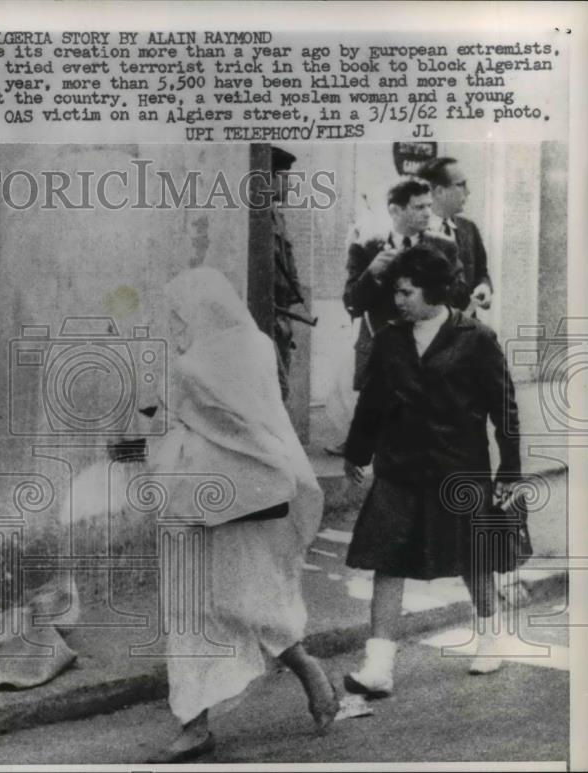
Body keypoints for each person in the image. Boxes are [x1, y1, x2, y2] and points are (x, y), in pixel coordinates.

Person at [146, 266, 338, 763]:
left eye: (177, 313)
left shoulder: (190, 369)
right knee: (256, 597)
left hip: (196, 498)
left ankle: (195, 725)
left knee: (192, 610)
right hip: (261, 491)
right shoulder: (257, 346)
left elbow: (165, 418)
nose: (173, 322)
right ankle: (306, 670)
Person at [341, 244, 521, 698]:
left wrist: (510, 472)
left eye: (406, 291)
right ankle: (378, 665)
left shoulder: (476, 338)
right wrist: (357, 452)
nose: (398, 301)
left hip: (459, 469)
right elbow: (373, 403)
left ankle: (489, 638)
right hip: (400, 467)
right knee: (386, 559)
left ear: (433, 290)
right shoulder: (389, 338)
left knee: (472, 560)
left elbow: (505, 409)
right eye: (395, 292)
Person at [343, 177, 469, 392]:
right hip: (380, 357)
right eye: (419, 207)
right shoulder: (367, 248)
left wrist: (433, 278)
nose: (428, 213)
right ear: (395, 211)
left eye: (429, 206)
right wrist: (371, 274)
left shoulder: (444, 246)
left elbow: (461, 297)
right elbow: (352, 304)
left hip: (430, 354)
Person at [417, 156, 494, 312]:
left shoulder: (469, 228)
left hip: (465, 332)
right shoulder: (416, 233)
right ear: (439, 192)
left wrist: (484, 287)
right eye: (461, 185)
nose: (468, 191)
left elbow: (482, 273)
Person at [269, 146, 310, 401]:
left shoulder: (277, 217)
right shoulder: (260, 217)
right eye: (286, 179)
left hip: (282, 317)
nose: (291, 187)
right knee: (275, 388)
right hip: (270, 315)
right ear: (269, 179)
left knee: (280, 389)